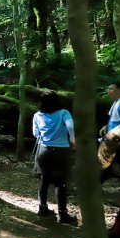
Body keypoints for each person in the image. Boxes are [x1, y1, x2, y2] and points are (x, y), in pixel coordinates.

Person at [32, 91, 77, 224]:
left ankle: (42, 209)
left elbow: (35, 133)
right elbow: (70, 126)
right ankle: (63, 215)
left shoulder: (37, 115)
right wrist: (73, 141)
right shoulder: (64, 113)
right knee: (60, 182)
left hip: (43, 150)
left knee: (44, 179)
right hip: (61, 151)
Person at [99, 81, 120, 182]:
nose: (108, 91)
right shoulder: (116, 102)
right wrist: (106, 126)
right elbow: (116, 121)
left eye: (111, 89)